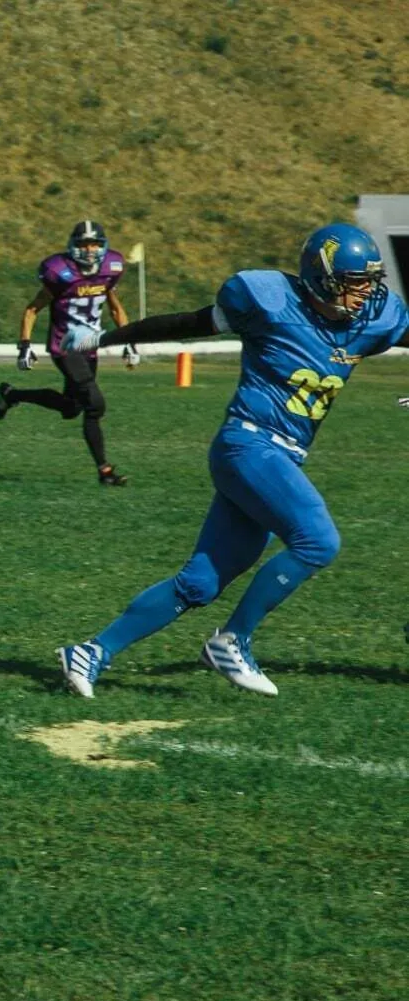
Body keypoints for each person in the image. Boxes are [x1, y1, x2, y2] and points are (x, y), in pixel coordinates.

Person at [56, 223, 407, 699]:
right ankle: (232, 640)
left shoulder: (373, 320)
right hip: (248, 446)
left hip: (281, 459)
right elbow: (183, 324)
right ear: (323, 278)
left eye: (370, 280)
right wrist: (104, 338)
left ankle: (91, 651)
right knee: (318, 541)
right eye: (355, 281)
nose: (367, 292)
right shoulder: (268, 302)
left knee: (198, 584)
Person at [0, 221, 133, 485]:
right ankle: (105, 471)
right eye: (83, 244)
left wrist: (129, 340)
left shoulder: (109, 269)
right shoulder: (59, 273)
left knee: (71, 408)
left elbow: (115, 308)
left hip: (90, 347)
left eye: (94, 244)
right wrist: (24, 345)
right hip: (65, 347)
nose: (90, 250)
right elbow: (32, 309)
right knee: (95, 404)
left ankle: (12, 395)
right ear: (73, 246)